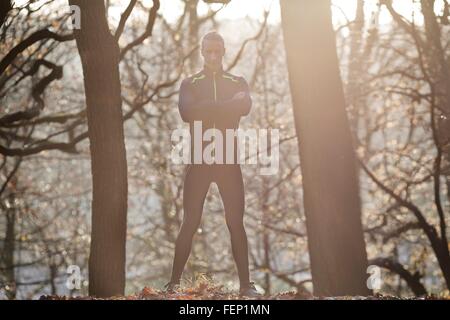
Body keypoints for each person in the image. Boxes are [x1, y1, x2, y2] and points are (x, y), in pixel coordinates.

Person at [165, 31, 260, 297]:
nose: (213, 56)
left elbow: (245, 108)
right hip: (200, 160)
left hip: (228, 161)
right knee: (190, 221)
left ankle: (246, 285)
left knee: (235, 222)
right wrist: (226, 105)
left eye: (218, 51)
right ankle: (173, 284)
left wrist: (206, 106)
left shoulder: (238, 81)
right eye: (208, 51)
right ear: (202, 52)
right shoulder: (189, 83)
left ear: (224, 51)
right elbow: (186, 112)